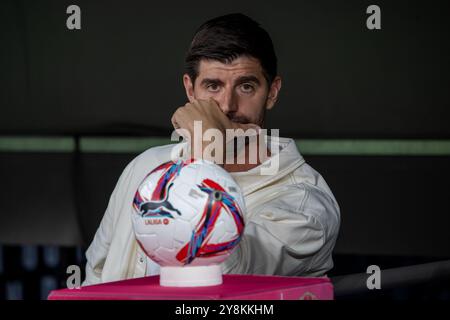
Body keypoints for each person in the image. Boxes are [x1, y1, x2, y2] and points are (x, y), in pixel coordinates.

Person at [83, 13, 340, 285]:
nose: (228, 105)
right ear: (190, 91)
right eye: (213, 86)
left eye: (246, 86)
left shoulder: (306, 206)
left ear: (272, 92)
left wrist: (206, 154)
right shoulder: (146, 167)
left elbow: (216, 280)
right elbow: (96, 275)